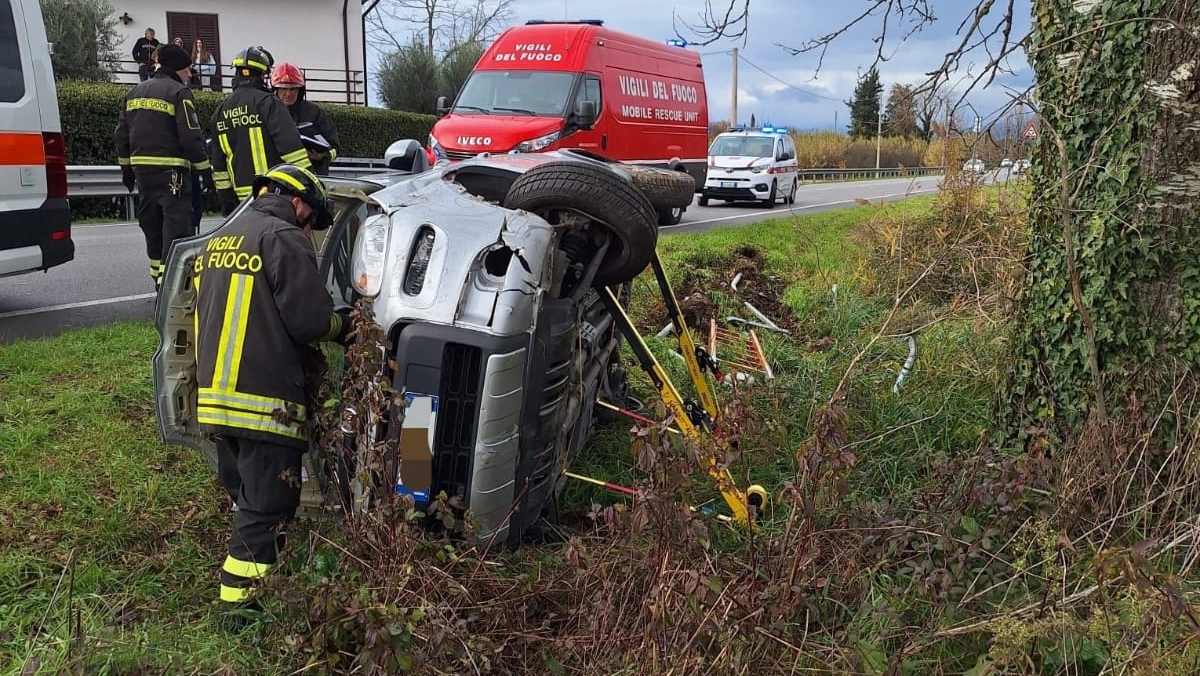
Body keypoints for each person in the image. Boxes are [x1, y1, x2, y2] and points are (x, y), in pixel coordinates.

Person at [191, 162, 350, 619]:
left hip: (218, 401)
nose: (310, 233)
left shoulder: (221, 237)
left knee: (248, 501)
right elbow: (311, 321)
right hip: (264, 405)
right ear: (297, 203)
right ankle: (240, 616)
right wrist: (348, 326)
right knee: (264, 513)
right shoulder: (282, 237)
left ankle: (259, 589)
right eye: (311, 223)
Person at [114, 44, 214, 292]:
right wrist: (205, 173)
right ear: (177, 69)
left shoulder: (134, 93)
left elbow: (121, 136)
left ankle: (158, 282)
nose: (190, 74)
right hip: (174, 176)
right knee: (177, 229)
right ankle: (173, 287)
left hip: (143, 175)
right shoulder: (179, 93)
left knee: (152, 227)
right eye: (188, 69)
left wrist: (126, 170)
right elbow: (191, 138)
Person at [210, 46, 311, 217]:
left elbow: (219, 165)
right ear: (262, 75)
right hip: (274, 195)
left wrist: (226, 201)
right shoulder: (268, 103)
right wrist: (309, 186)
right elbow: (291, 150)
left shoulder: (220, 112)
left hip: (241, 203)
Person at [270, 62, 341, 175]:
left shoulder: (314, 112)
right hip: (279, 175)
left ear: (300, 90)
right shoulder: (269, 113)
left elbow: (335, 147)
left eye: (293, 89)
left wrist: (322, 155)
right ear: (275, 90)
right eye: (283, 89)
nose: (288, 93)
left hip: (312, 176)